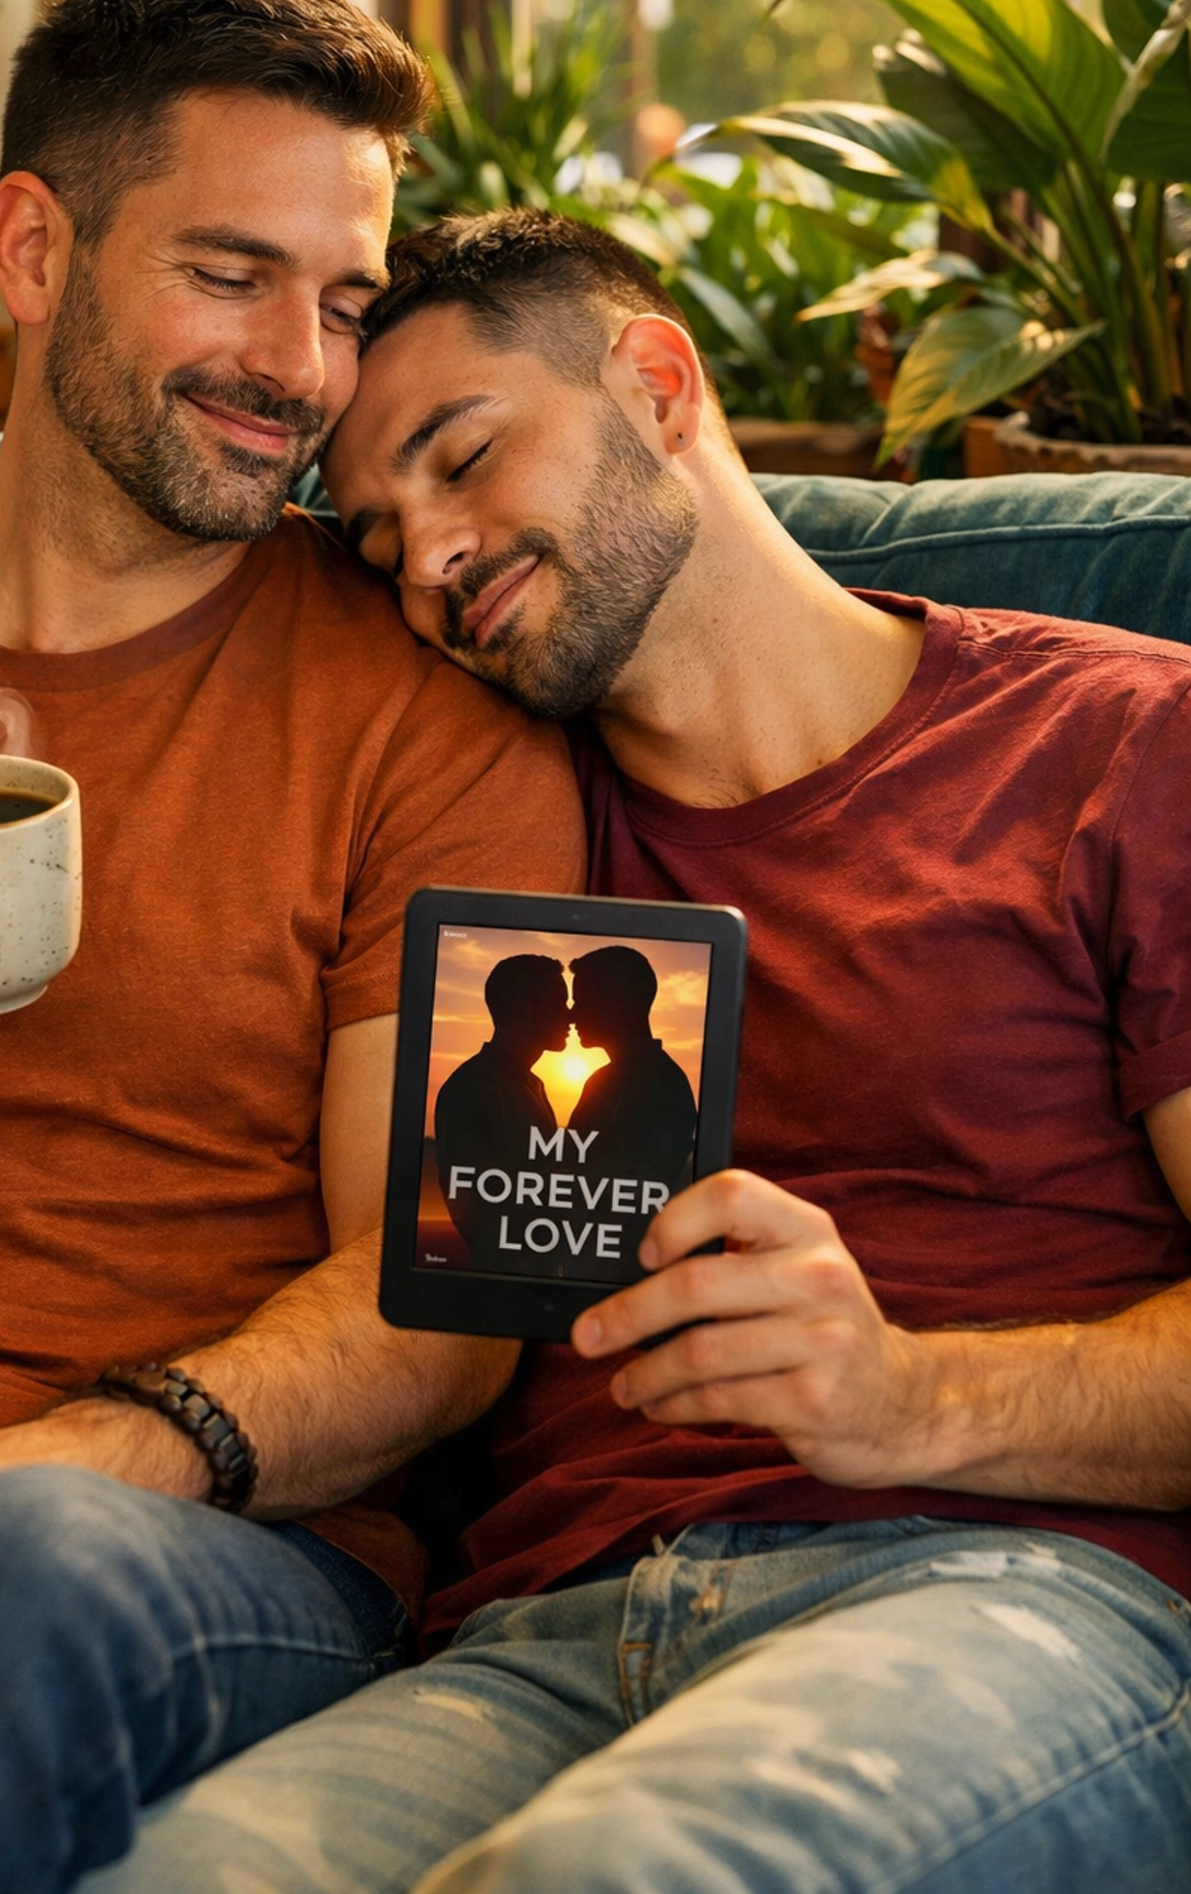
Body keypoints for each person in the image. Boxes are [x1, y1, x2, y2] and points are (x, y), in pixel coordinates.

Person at [111, 208, 1191, 1893]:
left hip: (1002, 1589)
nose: (428, 560)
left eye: (462, 458)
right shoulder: (472, 838)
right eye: (380, 534)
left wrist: (909, 1391)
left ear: (660, 380)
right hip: (533, 1636)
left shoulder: (1122, 738)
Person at [0, 0, 585, 1894]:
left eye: (342, 299)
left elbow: (450, 1298)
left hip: (171, 1539)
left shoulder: (433, 709)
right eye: (231, 276)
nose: (302, 368)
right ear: (30, 246)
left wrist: (86, 1453)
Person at [564, 944, 698, 1268]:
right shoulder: (604, 1079)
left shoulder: (660, 1086)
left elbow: (629, 1201)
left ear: (619, 1004)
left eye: (582, 1001)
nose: (571, 1013)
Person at [434, 952, 570, 1271]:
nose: (570, 1017)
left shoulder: (533, 1083)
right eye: (558, 1005)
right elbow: (463, 1194)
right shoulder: (472, 1085)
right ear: (522, 1011)